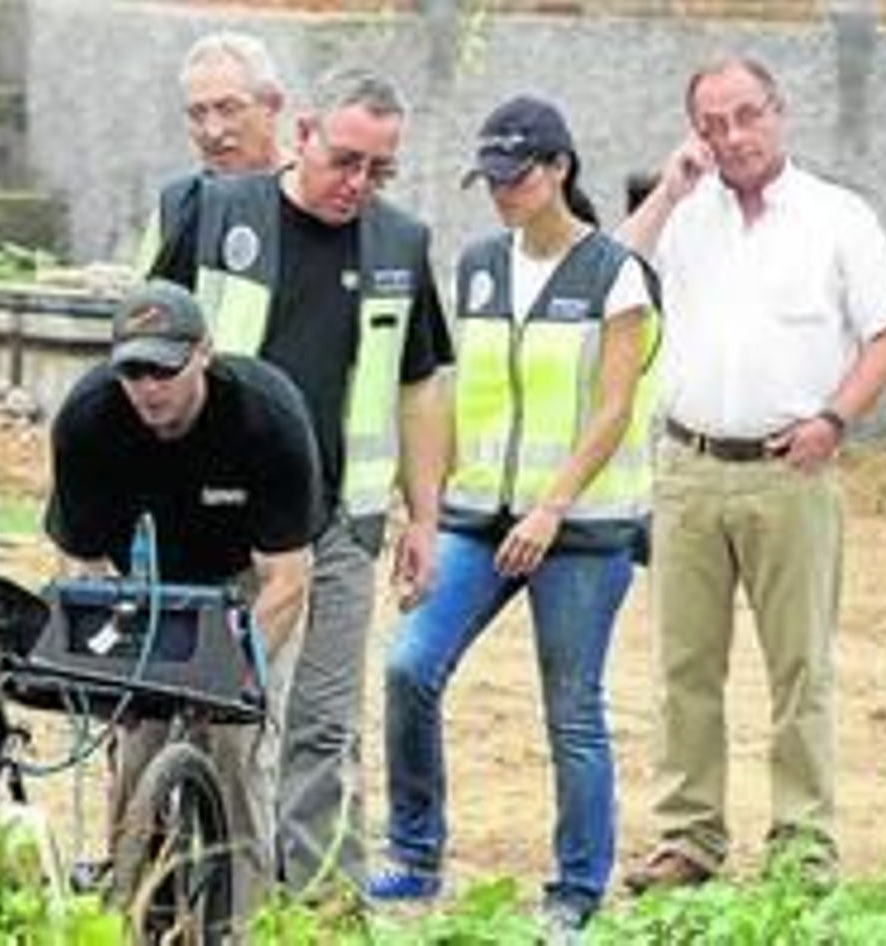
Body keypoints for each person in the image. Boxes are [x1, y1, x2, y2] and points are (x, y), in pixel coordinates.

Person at [618, 56, 886, 892]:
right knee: (684, 668)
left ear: (778, 111)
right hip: (688, 469)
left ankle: (803, 845)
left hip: (790, 473)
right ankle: (688, 838)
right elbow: (604, 276)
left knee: (799, 669)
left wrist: (835, 419)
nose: (733, 137)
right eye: (712, 125)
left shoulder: (836, 216)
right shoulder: (685, 216)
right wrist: (669, 191)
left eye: (746, 116)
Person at [149, 65, 455, 892]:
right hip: (219, 518)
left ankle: (321, 902)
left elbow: (421, 384)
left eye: (377, 170)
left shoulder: (400, 244)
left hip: (339, 523)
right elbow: (146, 344)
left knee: (324, 726)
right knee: (225, 713)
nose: (357, 184)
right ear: (304, 133)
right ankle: (216, 892)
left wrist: (424, 518)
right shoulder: (215, 215)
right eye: (344, 160)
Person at [366, 96, 659, 933]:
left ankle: (574, 891)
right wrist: (423, 506)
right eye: (489, 179)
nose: (500, 193)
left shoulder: (616, 275)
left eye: (516, 177)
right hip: (476, 517)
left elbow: (612, 409)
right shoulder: (481, 264)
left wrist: (551, 507)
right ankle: (416, 855)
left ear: (560, 170)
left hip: (581, 531)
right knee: (408, 668)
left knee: (571, 708)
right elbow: (457, 391)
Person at [44, 279, 326, 925]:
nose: (148, 388)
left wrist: (227, 671)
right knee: (136, 747)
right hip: (145, 580)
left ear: (203, 353)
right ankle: (131, 913)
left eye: (164, 369)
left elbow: (287, 580)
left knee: (235, 747)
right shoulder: (88, 419)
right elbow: (83, 563)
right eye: (133, 371)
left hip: (248, 580)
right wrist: (110, 666)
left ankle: (240, 921)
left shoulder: (265, 417)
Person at [137, 31, 288, 271]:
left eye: (228, 109)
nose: (212, 131)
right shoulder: (177, 207)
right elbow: (146, 303)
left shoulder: (323, 201)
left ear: (272, 105)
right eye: (197, 113)